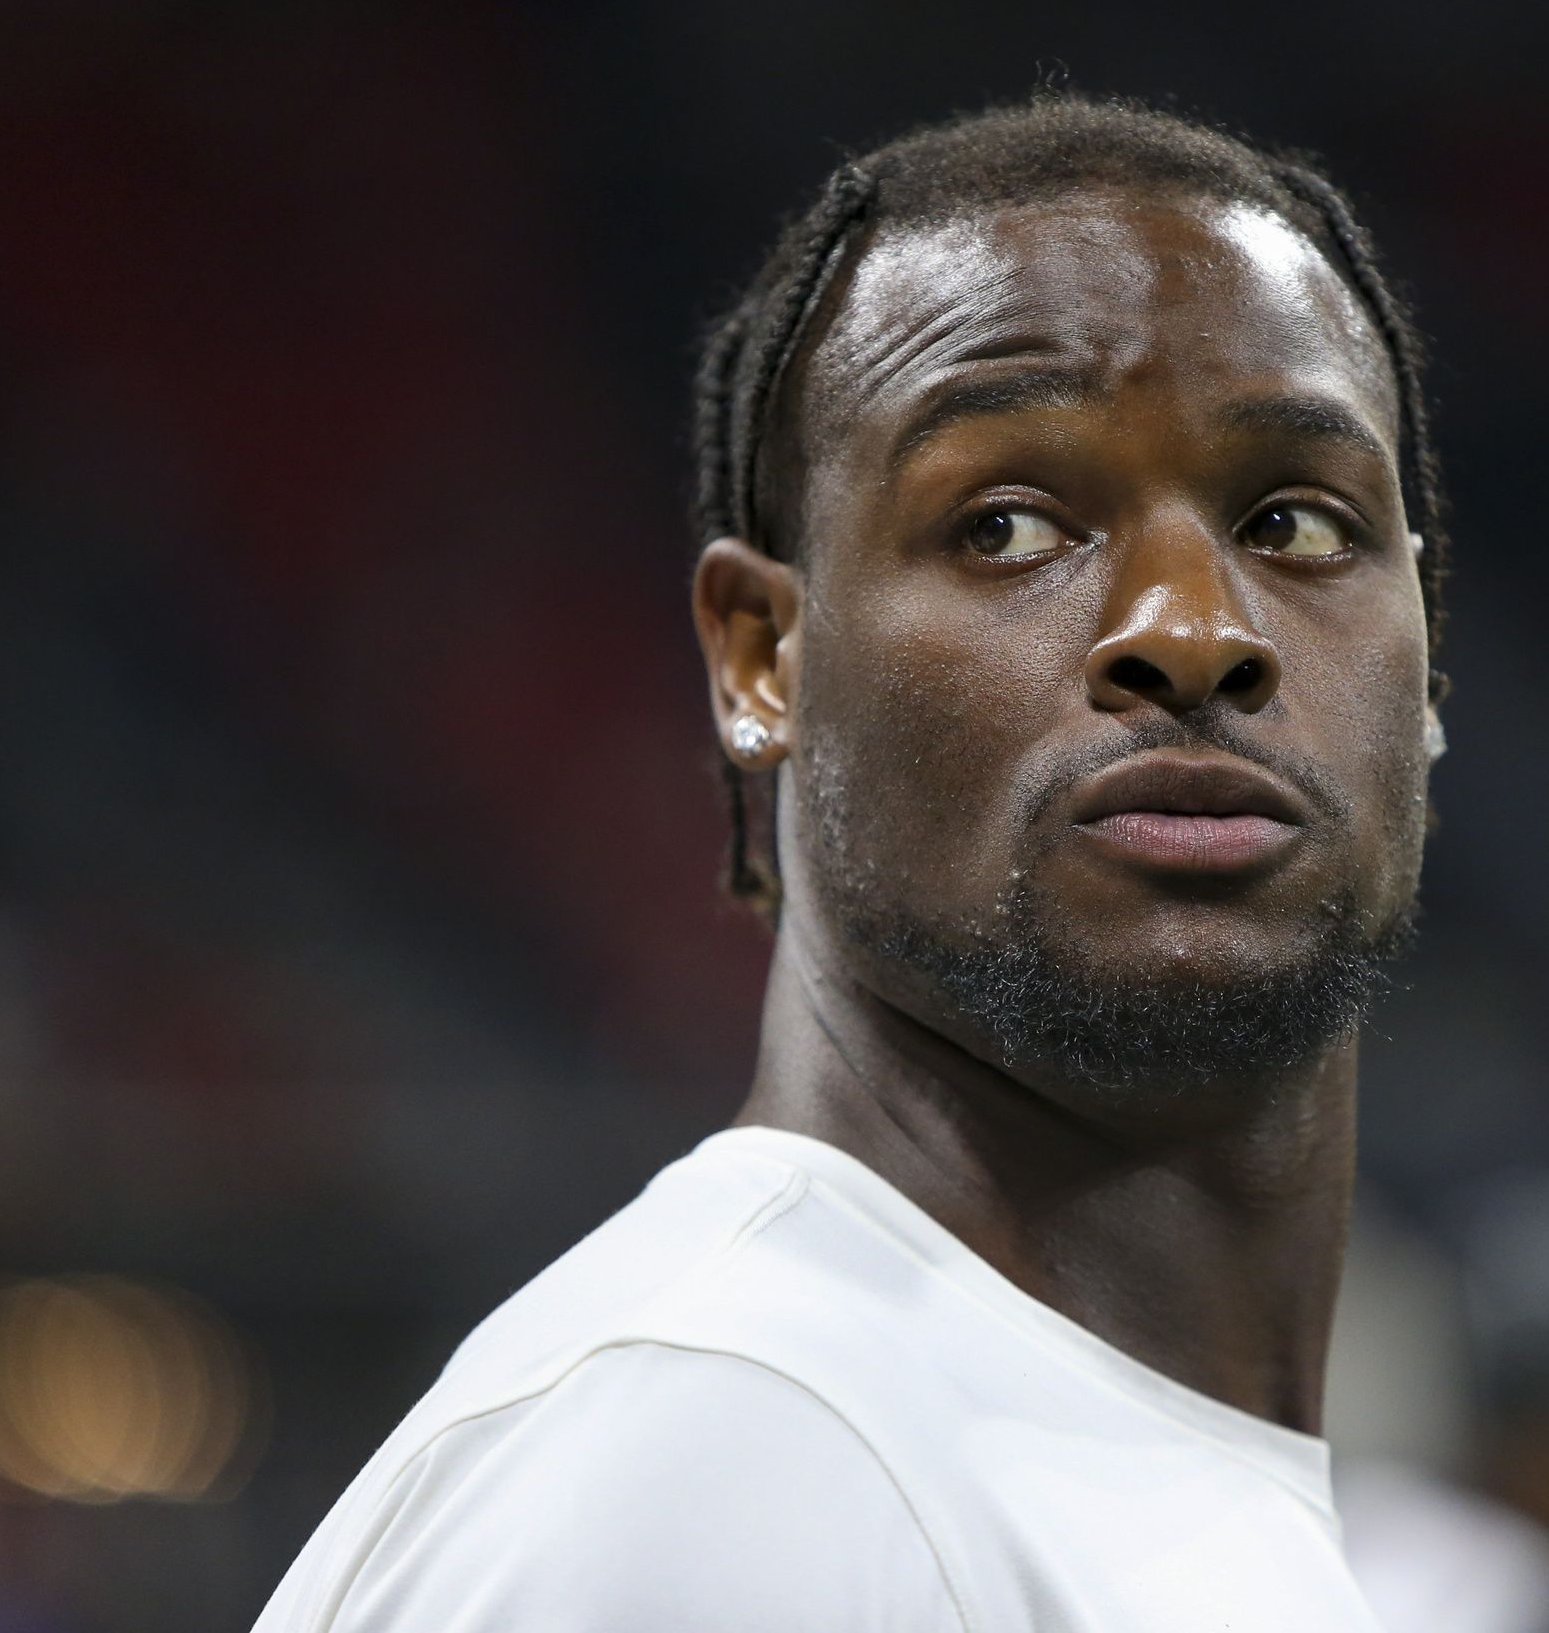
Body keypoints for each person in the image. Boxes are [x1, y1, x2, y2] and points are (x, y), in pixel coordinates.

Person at [256, 91, 1451, 1631]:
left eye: (1292, 521)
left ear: (1428, 657)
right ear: (763, 653)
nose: (1193, 630)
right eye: (1010, 526)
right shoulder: (736, 1465)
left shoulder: (1055, 1475)